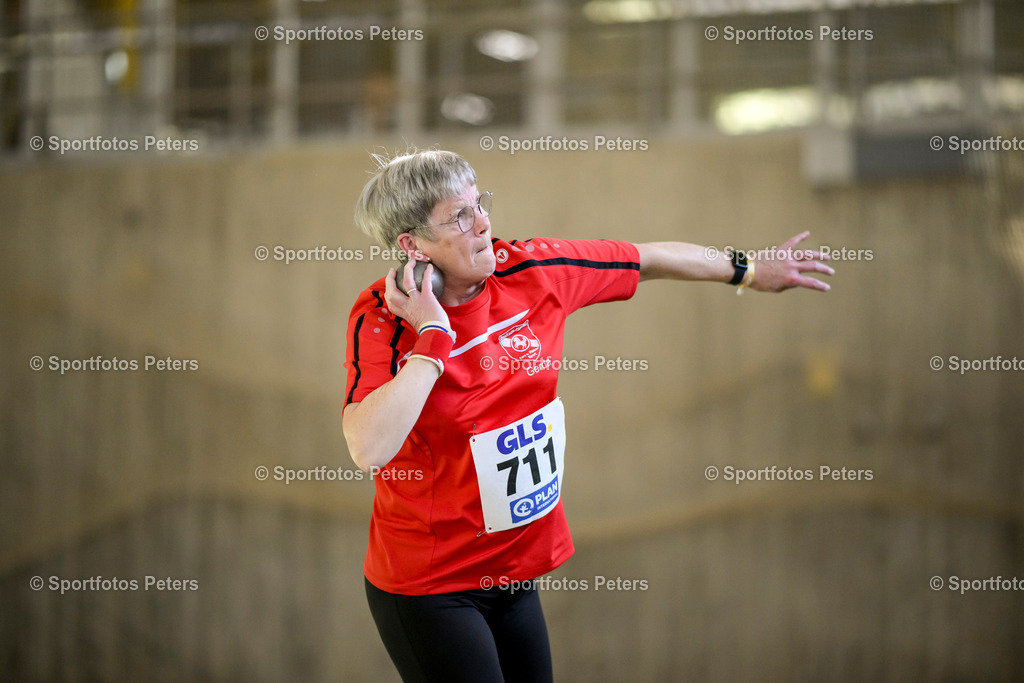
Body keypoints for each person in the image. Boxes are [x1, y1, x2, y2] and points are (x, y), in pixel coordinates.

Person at [343, 149, 833, 682]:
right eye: (459, 217)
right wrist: (434, 338)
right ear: (411, 246)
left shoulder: (532, 271)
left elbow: (647, 258)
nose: (483, 222)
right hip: (431, 586)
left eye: (478, 204)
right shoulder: (383, 320)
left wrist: (752, 271)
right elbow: (368, 447)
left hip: (513, 572)